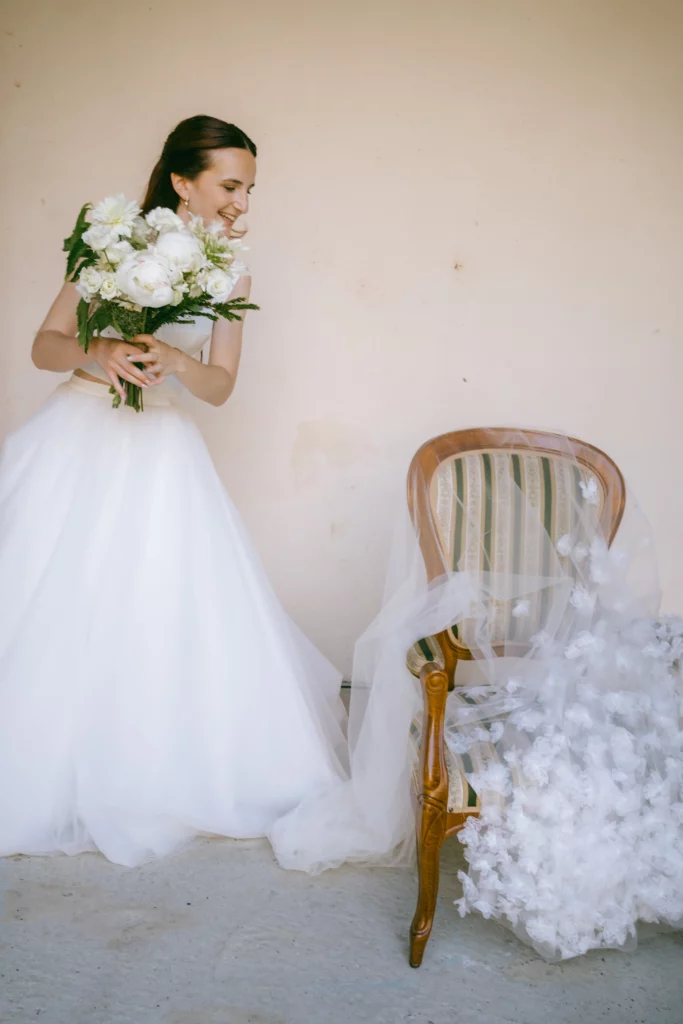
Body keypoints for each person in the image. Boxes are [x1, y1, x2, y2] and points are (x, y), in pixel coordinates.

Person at [0, 115, 346, 868]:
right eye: (229, 184)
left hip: (161, 446)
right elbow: (42, 344)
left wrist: (175, 363)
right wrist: (103, 348)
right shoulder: (108, 241)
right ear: (182, 180)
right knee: (57, 594)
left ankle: (144, 765)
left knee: (155, 600)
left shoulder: (231, 269)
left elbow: (220, 385)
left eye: (249, 188)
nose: (240, 202)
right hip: (80, 426)